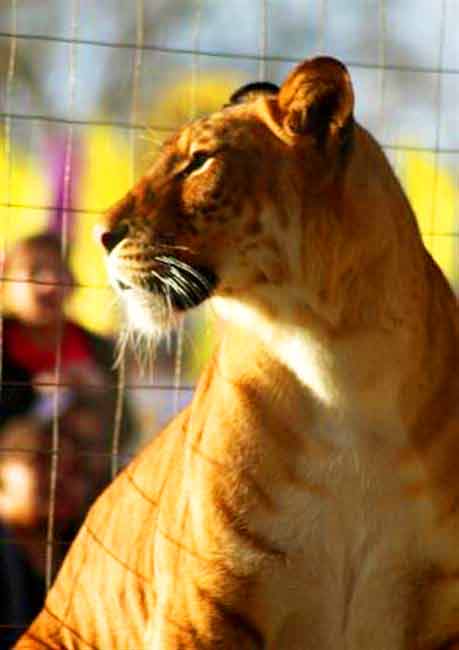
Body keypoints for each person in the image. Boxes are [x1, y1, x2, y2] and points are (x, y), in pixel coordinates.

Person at [0, 411, 87, 648]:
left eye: (75, 469)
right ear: (3, 472)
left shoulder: (87, 556)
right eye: (42, 461)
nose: (59, 477)